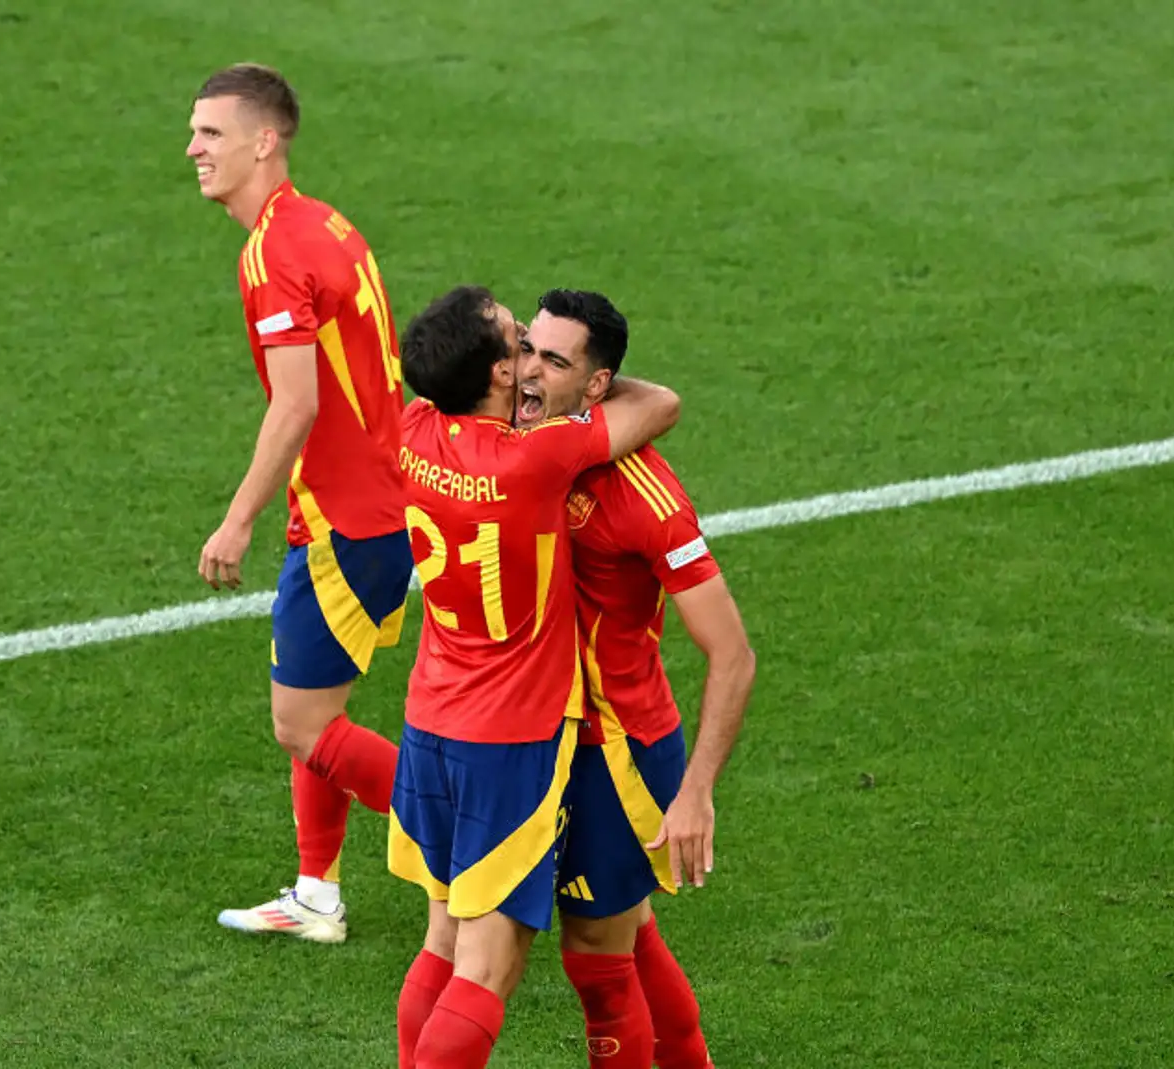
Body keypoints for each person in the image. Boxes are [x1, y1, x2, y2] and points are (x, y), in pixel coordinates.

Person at [386, 285, 681, 1069]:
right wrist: (592, 382)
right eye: (518, 344)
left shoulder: (411, 427)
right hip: (506, 743)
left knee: (441, 941)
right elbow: (659, 404)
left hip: (426, 724)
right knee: (489, 967)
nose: (527, 361)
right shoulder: (535, 461)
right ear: (492, 377)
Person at [186, 62, 409, 942]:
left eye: (210, 133)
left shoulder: (274, 251)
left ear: (263, 141)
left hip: (349, 522)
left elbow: (298, 402)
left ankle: (490, 841)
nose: (194, 148)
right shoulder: (322, 223)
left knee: (299, 721)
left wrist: (237, 516)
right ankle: (317, 894)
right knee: (318, 708)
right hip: (371, 506)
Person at [522, 289, 756, 1069]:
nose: (527, 372)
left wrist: (696, 790)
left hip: (613, 751)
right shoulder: (521, 432)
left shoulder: (645, 496)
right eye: (529, 346)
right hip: (538, 736)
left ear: (598, 387)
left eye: (554, 361)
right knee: (631, 933)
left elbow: (733, 653)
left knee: (597, 957)